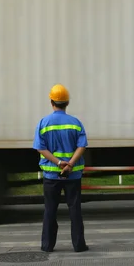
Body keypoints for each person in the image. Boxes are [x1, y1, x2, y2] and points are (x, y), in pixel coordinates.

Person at [33, 84, 89, 253]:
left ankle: (47, 245)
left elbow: (41, 148)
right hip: (73, 175)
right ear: (67, 103)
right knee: (75, 210)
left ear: (52, 102)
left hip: (51, 175)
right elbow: (82, 146)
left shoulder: (43, 123)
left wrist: (58, 163)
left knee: (50, 210)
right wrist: (70, 164)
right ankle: (79, 245)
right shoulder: (76, 123)